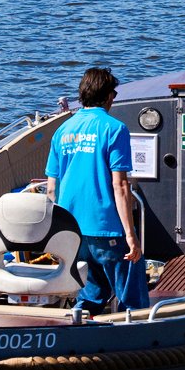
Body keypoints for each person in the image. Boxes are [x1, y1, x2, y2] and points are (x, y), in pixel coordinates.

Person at [39, 66, 144, 312]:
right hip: (107, 228)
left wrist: (57, 233)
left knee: (89, 297)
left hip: (72, 229)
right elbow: (120, 185)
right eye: (114, 95)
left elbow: (52, 189)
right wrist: (131, 235)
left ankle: (81, 333)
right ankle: (136, 340)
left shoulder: (62, 131)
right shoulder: (114, 129)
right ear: (108, 96)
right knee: (131, 298)